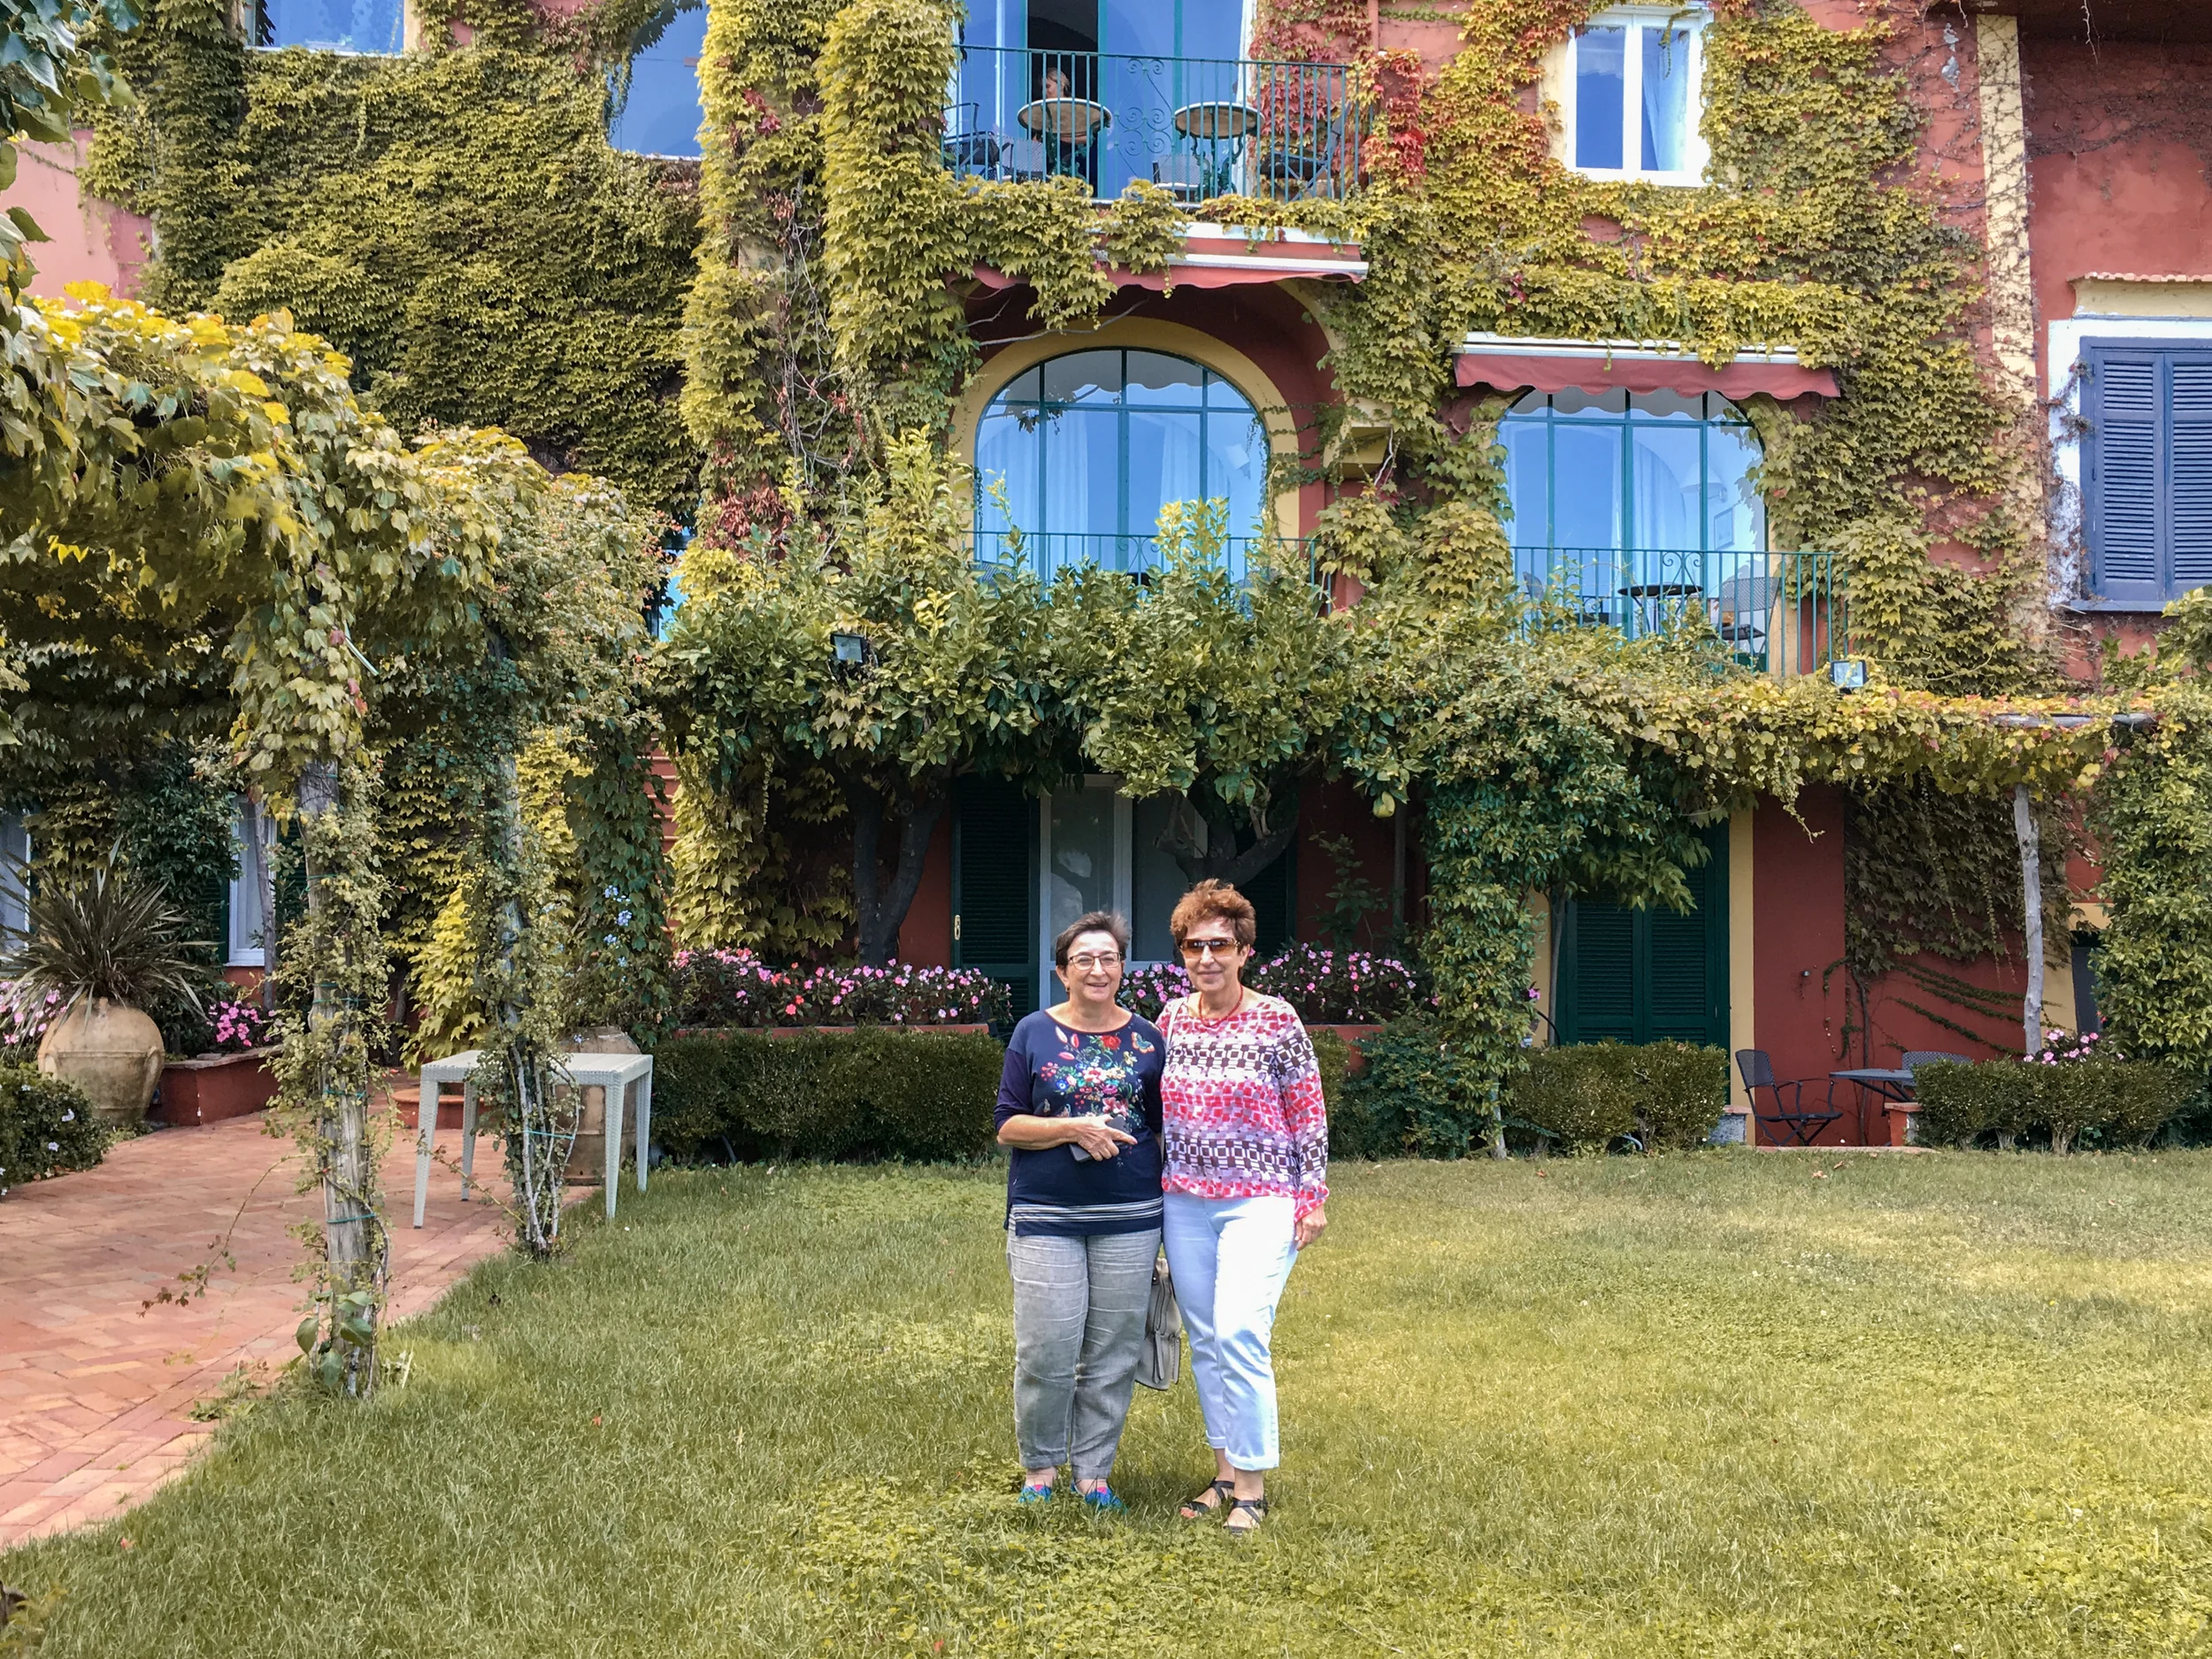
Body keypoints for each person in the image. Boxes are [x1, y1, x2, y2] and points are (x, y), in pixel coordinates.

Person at [1157, 879, 1327, 1535]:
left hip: (1261, 1199)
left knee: (1238, 1332)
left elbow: (1307, 1113)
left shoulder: (1277, 1019)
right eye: (1194, 946)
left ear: (1244, 950)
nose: (1207, 957)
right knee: (1205, 1339)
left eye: (1220, 945)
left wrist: (1312, 1198)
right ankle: (1224, 1473)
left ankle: (1252, 1488)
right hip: (1186, 1201)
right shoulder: (1172, 1019)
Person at [995, 910, 1165, 1510]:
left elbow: (1162, 1127)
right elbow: (1007, 1126)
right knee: (1046, 1348)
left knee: (1113, 1351)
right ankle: (1040, 1468)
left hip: (1131, 1214)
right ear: (1062, 972)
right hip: (1046, 1214)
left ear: (1122, 968)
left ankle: (1094, 1474)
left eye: (1108, 958)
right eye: (1083, 959)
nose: (1097, 969)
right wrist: (1072, 1128)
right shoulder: (1032, 1032)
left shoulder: (1149, 1038)